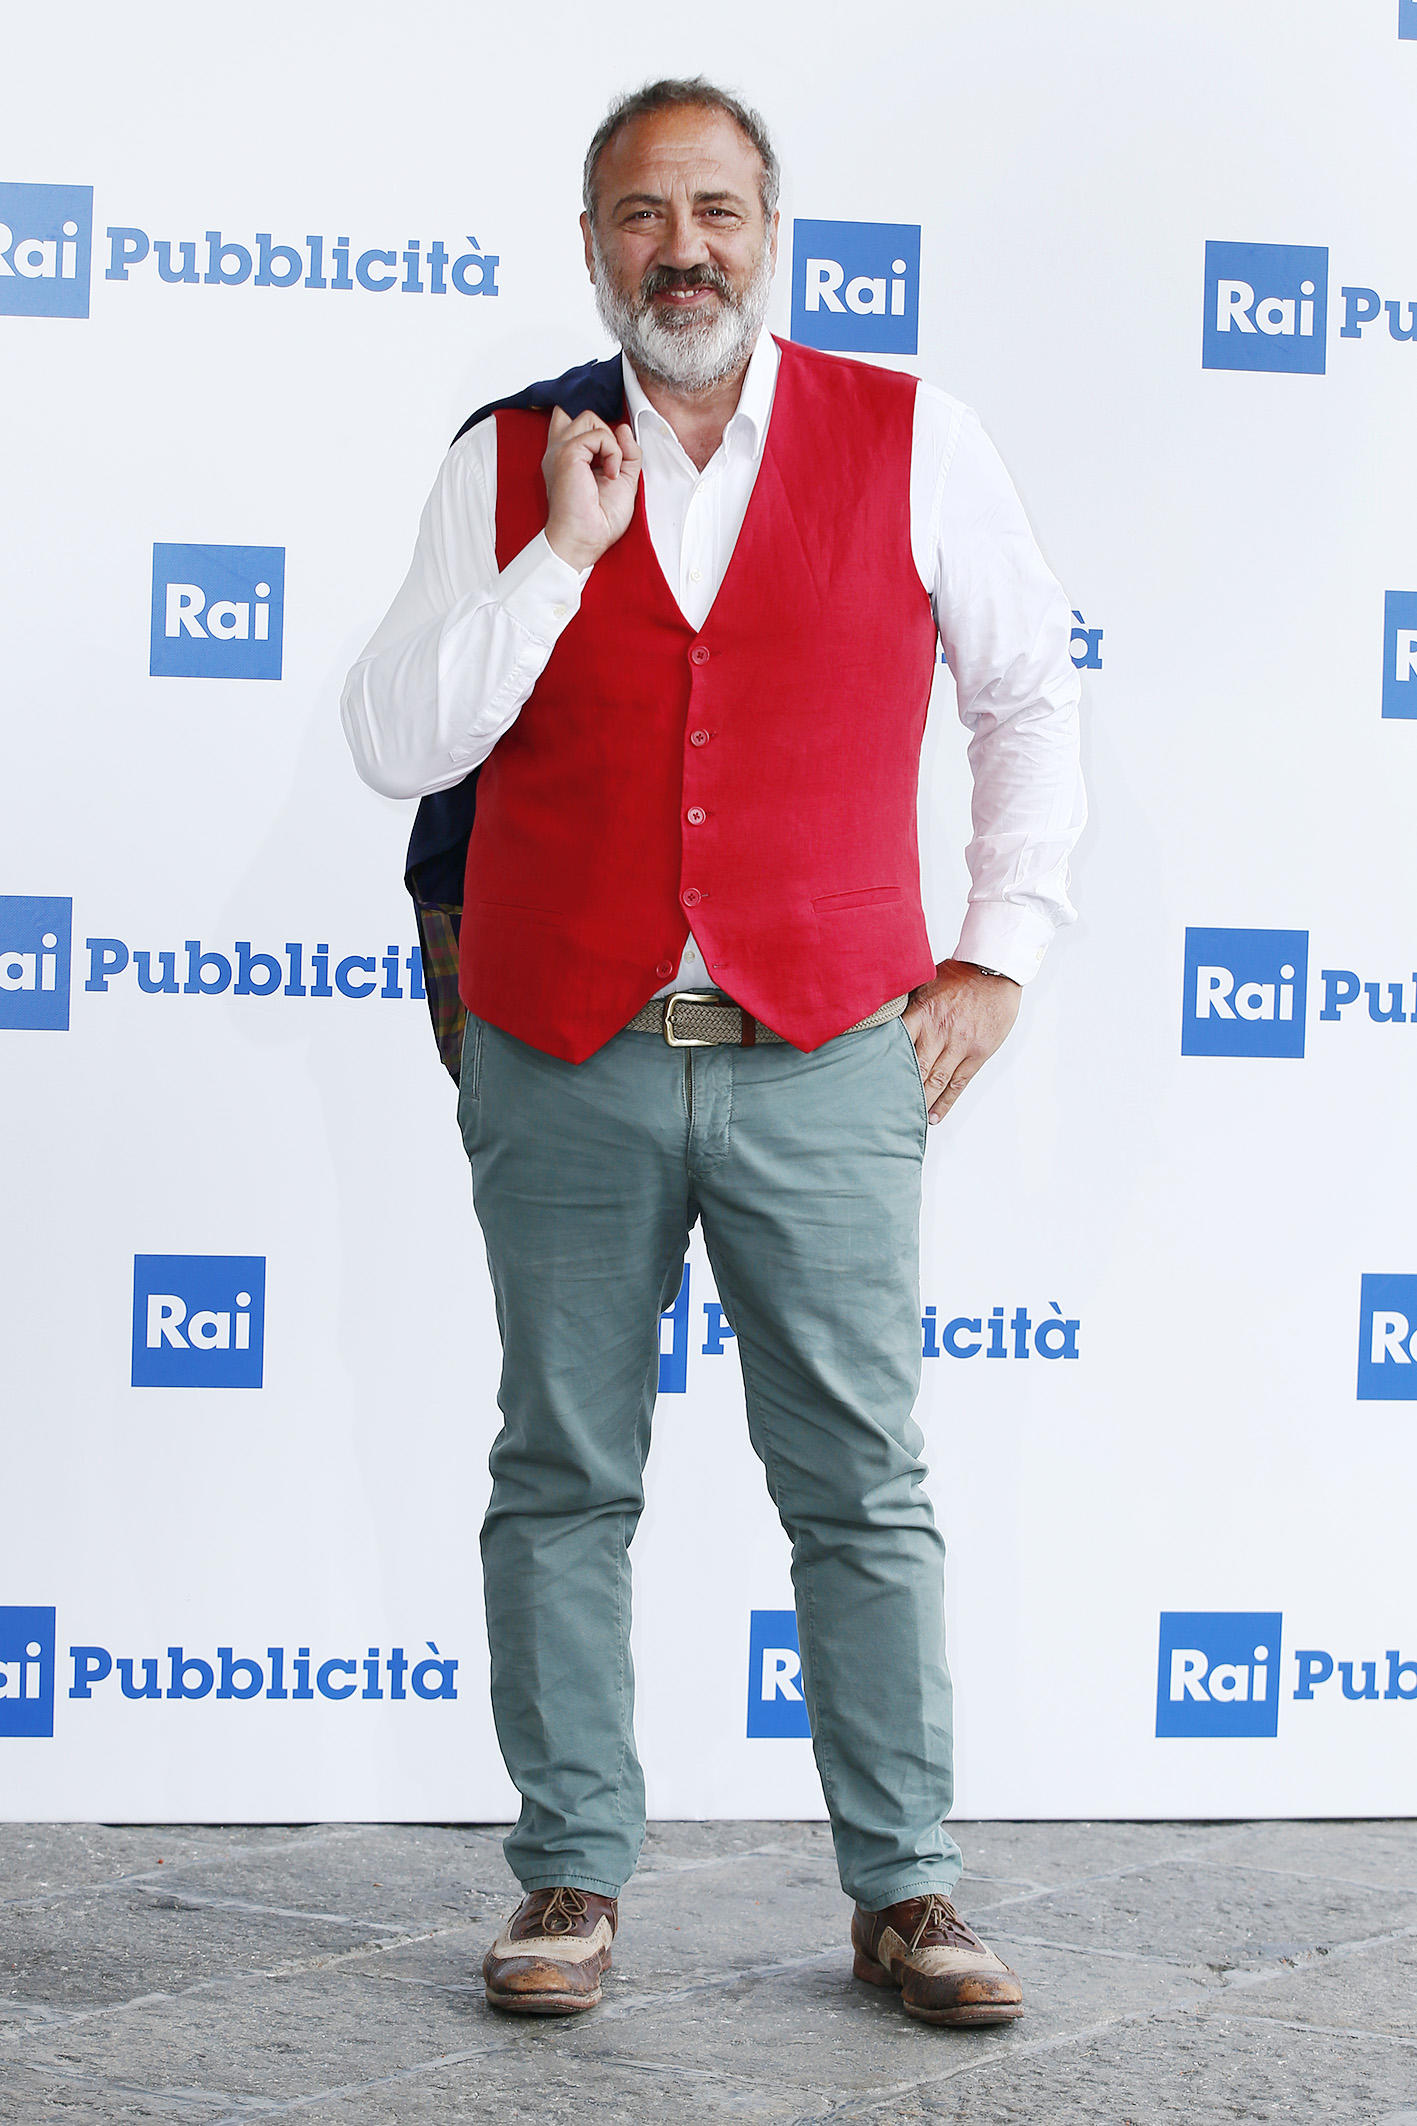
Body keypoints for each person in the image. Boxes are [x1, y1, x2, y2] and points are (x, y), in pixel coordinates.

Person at [341, 75, 1084, 2029]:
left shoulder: (915, 438)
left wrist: (996, 955)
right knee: (561, 1470)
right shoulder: (508, 458)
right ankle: (569, 1872)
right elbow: (398, 738)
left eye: (717, 211)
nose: (682, 249)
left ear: (771, 233)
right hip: (560, 1046)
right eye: (642, 214)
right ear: (592, 246)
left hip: (825, 1045)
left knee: (859, 1481)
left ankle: (905, 1888)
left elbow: (1026, 697)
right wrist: (560, 556)